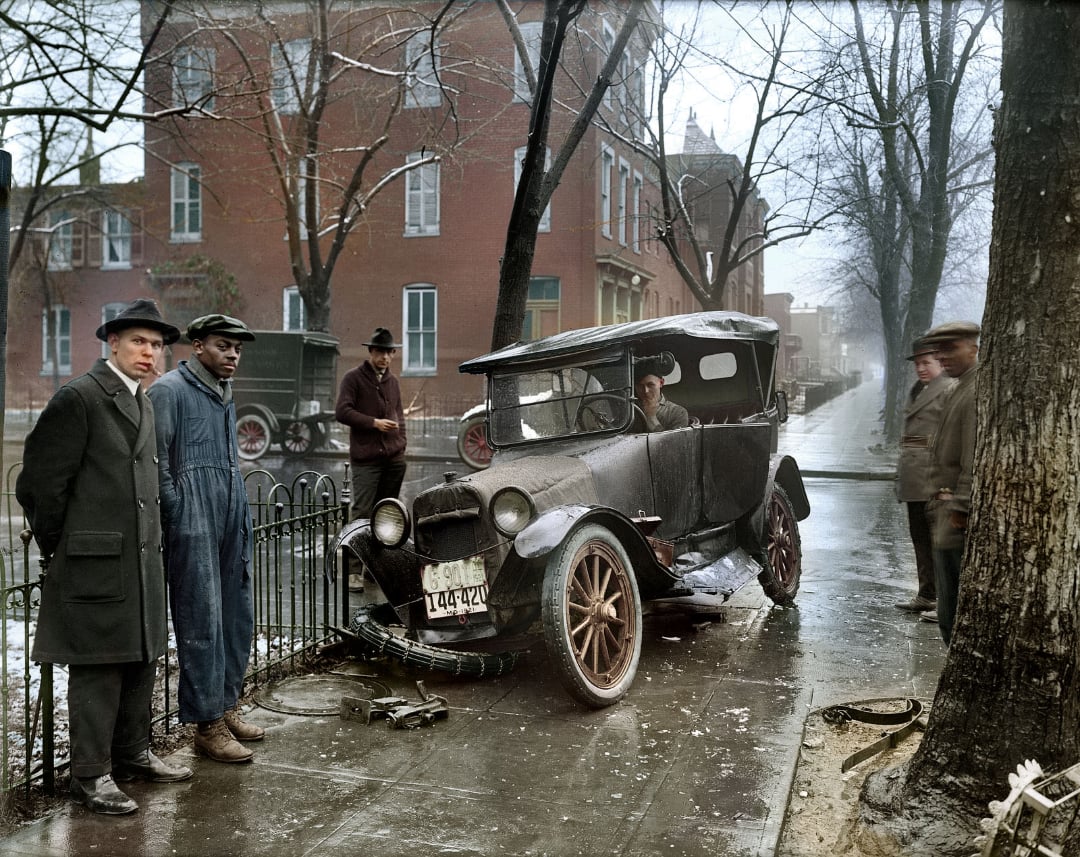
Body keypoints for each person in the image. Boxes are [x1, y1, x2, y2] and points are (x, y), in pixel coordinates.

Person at [16, 299, 192, 815]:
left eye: (157, 345)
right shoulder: (80, 398)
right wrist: (64, 547)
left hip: (137, 560)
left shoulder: (145, 399)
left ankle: (132, 752)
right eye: (139, 341)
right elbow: (39, 486)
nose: (150, 352)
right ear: (112, 342)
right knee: (98, 667)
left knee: (139, 656)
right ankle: (90, 776)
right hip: (95, 561)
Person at [147, 314, 262, 764]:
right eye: (222, 345)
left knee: (236, 616)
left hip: (230, 511)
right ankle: (206, 724)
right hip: (193, 520)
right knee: (201, 619)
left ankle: (226, 703)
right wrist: (178, 511)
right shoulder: (169, 391)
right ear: (197, 346)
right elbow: (157, 465)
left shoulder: (223, 391)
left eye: (237, 347)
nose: (233, 354)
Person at [923, 321, 981, 645]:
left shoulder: (974, 390)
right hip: (945, 510)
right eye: (940, 350)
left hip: (956, 517)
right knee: (949, 602)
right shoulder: (959, 387)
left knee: (953, 609)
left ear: (973, 347)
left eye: (952, 348)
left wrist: (962, 505)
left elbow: (973, 455)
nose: (943, 356)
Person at [894, 337, 954, 618]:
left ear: (940, 362)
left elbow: (950, 439)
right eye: (917, 363)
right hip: (914, 479)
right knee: (919, 538)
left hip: (934, 479)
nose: (920, 368)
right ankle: (927, 594)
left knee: (939, 542)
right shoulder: (919, 389)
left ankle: (946, 603)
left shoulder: (948, 390)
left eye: (926, 362)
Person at [335, 326, 408, 535]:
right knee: (362, 513)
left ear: (393, 354)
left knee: (387, 513)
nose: (384, 357)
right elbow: (342, 411)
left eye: (389, 352)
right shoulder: (353, 378)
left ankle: (379, 562)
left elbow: (400, 416)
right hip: (366, 460)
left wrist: (401, 444)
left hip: (394, 460)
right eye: (379, 352)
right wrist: (374, 423)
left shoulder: (392, 382)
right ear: (371, 352)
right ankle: (356, 566)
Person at [633, 357, 689, 432]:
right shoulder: (629, 411)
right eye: (640, 386)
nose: (645, 391)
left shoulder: (677, 412)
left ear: (661, 383)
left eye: (650, 385)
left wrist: (651, 418)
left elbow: (672, 442)